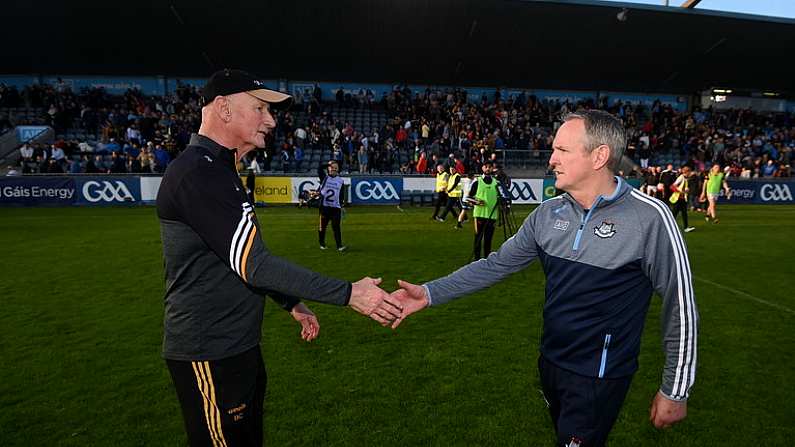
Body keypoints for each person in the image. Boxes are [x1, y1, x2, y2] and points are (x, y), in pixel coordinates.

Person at [391, 110, 698, 447]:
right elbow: (495, 265)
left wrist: (675, 389)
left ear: (599, 156)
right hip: (550, 363)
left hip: (599, 375)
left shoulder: (649, 218)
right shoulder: (547, 214)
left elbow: (680, 306)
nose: (552, 160)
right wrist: (429, 293)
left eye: (562, 150)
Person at [155, 69, 401, 447]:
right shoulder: (197, 173)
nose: (270, 120)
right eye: (260, 108)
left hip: (237, 346)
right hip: (209, 352)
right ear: (223, 108)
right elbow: (255, 263)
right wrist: (351, 293)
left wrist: (291, 302)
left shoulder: (219, 170)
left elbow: (238, 259)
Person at [468, 161, 499, 258]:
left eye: (490, 167)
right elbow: (468, 198)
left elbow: (501, 197)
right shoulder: (477, 182)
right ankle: (477, 259)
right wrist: (477, 202)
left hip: (492, 215)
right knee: (478, 238)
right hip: (480, 215)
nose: (488, 169)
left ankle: (486, 259)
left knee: (488, 239)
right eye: (486, 167)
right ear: (483, 168)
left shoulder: (496, 183)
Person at [315, 160, 346, 251]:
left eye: (336, 167)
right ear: (328, 168)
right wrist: (329, 164)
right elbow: (320, 168)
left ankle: (339, 246)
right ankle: (322, 243)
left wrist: (342, 206)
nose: (334, 169)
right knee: (322, 227)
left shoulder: (340, 181)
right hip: (324, 207)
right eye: (332, 167)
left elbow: (341, 195)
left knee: (336, 227)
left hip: (335, 208)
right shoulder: (324, 178)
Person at [669, 165, 695, 232]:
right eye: (690, 172)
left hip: (683, 199)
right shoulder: (681, 177)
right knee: (674, 213)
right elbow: (672, 186)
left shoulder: (686, 178)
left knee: (684, 213)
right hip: (678, 199)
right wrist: (681, 191)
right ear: (687, 172)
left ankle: (686, 228)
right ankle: (669, 226)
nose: (691, 173)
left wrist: (686, 190)